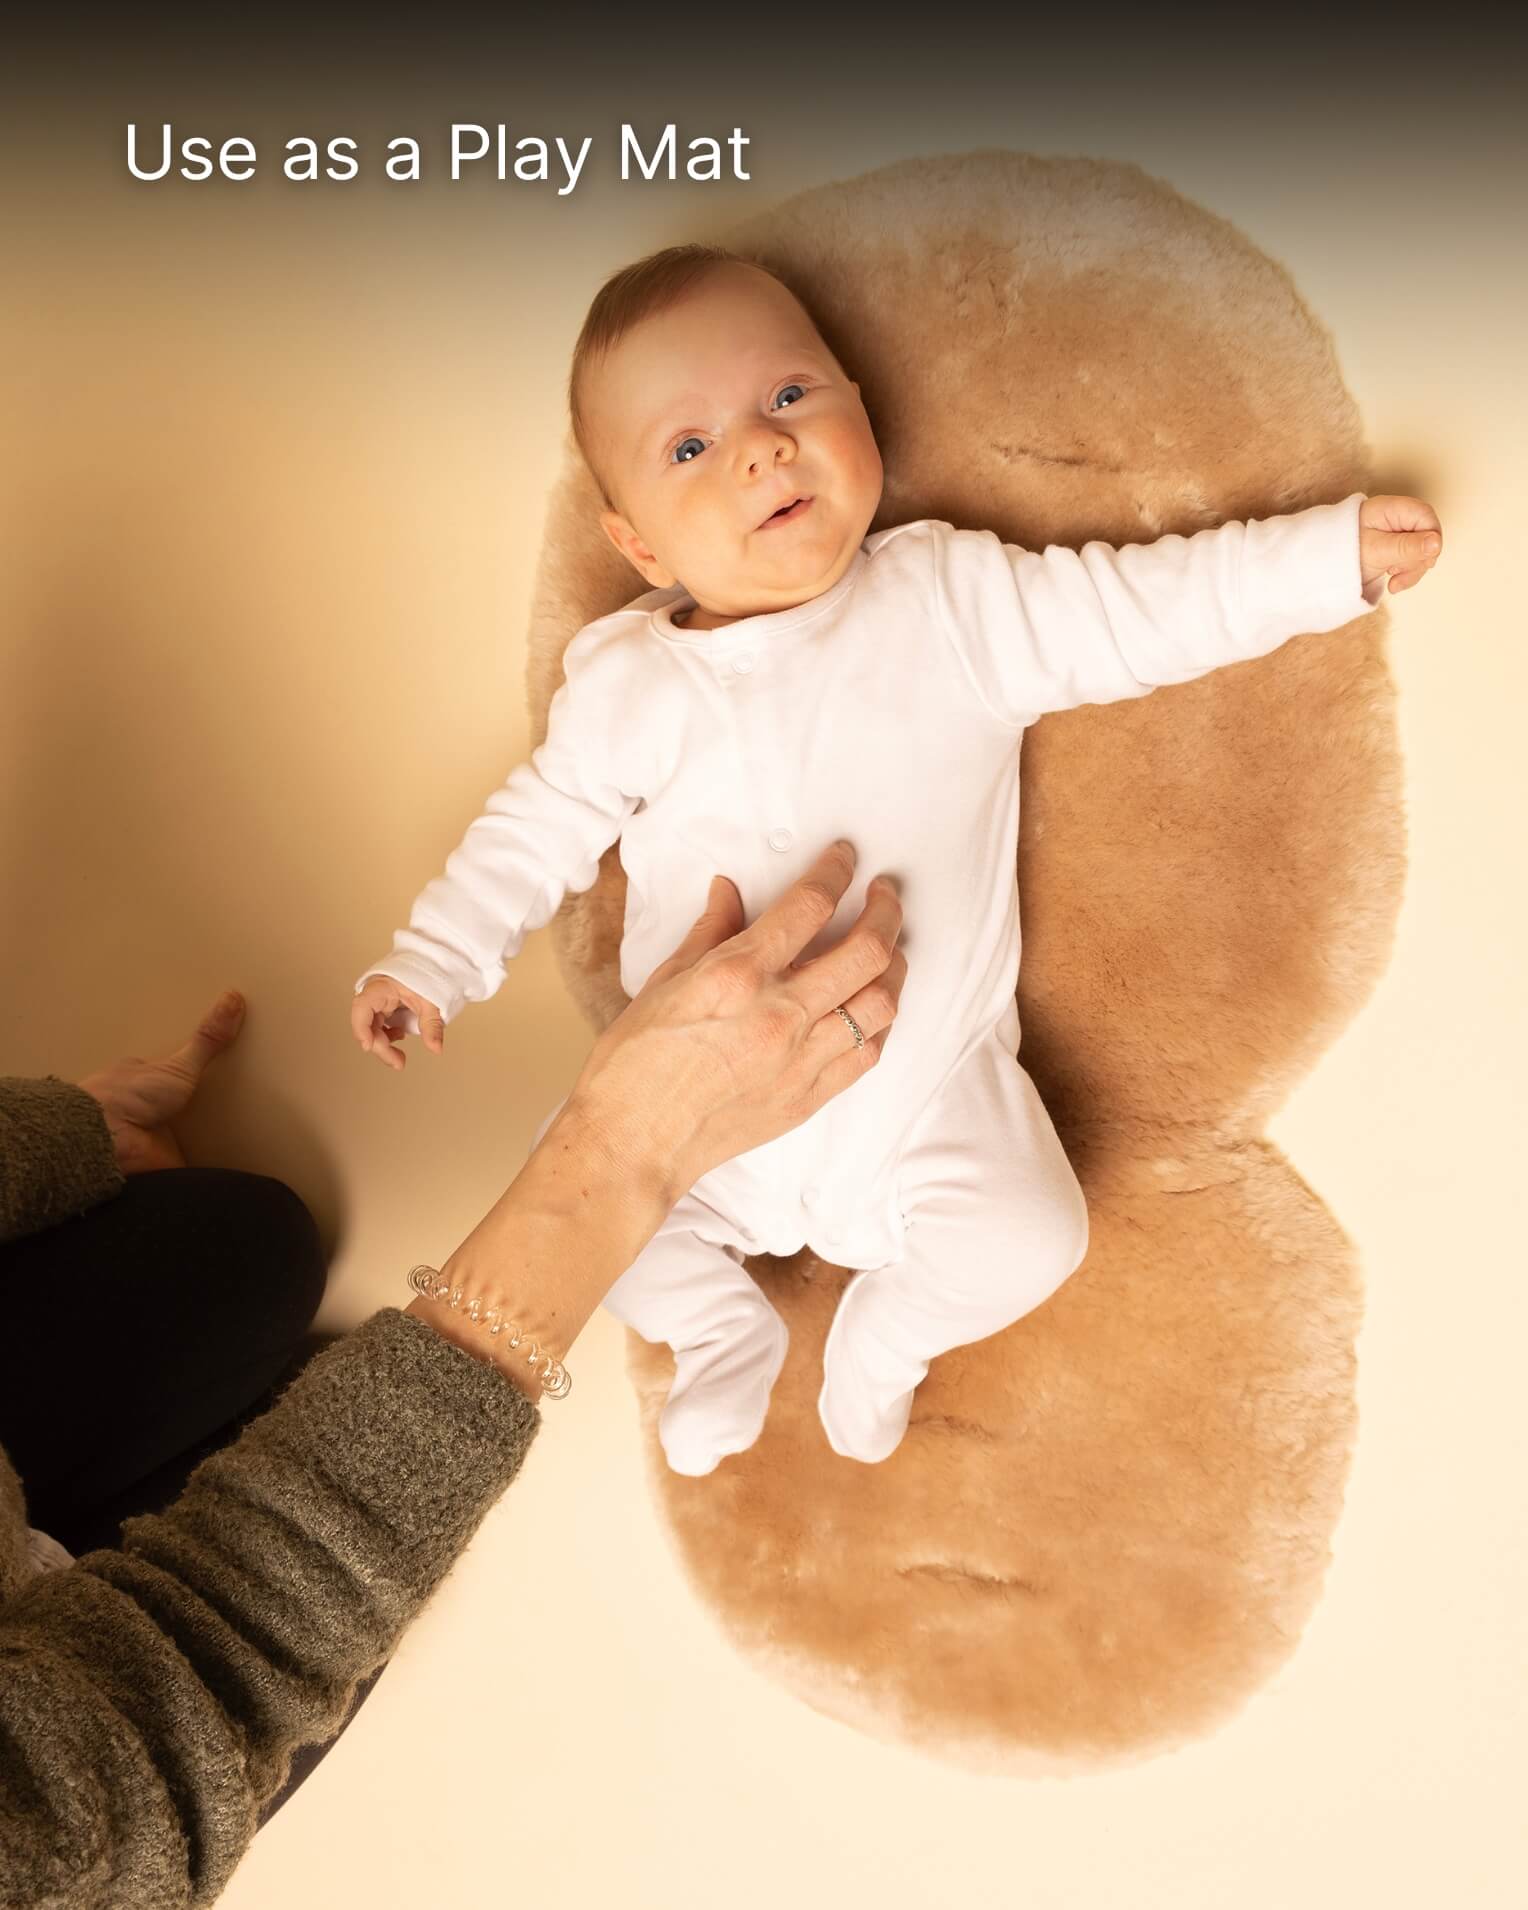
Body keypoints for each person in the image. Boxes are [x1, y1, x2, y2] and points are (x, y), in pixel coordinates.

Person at [352, 243, 1446, 1477]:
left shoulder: (945, 603)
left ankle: (887, 1337)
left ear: (859, 408)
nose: (761, 447)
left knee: (1035, 1232)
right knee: (577, 1181)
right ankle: (720, 1331)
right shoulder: (628, 682)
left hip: (925, 1099)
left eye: (787, 398)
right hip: (689, 1117)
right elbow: (532, 828)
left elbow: (1141, 612)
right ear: (639, 545)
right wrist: (433, 960)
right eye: (689, 448)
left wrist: (1321, 561)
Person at [0, 837, 906, 1910]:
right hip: (81, 1797)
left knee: (251, 1247)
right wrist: (617, 1155)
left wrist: (49, 1139)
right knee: (318, 1603)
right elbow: (228, 1642)